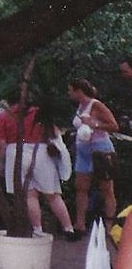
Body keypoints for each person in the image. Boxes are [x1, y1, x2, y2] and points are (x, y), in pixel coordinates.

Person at [0, 95, 79, 241]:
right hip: (41, 150)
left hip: (16, 151)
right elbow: (55, 133)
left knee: (30, 195)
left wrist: (1, 163)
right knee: (52, 194)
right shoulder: (39, 112)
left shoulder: (5, 116)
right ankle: (68, 228)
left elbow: (1, 144)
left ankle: (38, 231)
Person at [68, 78, 119, 236]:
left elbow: (114, 125)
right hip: (83, 149)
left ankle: (109, 225)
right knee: (81, 187)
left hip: (99, 148)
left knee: (106, 187)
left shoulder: (96, 105)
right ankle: (80, 224)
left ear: (79, 91)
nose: (69, 94)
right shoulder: (80, 106)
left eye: (70, 90)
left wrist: (94, 124)